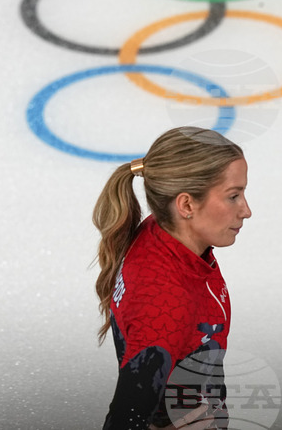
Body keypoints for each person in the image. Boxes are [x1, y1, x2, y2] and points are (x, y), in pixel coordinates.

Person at [93, 126, 251, 429]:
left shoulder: (165, 233)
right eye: (233, 196)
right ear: (187, 205)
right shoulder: (165, 304)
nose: (246, 210)